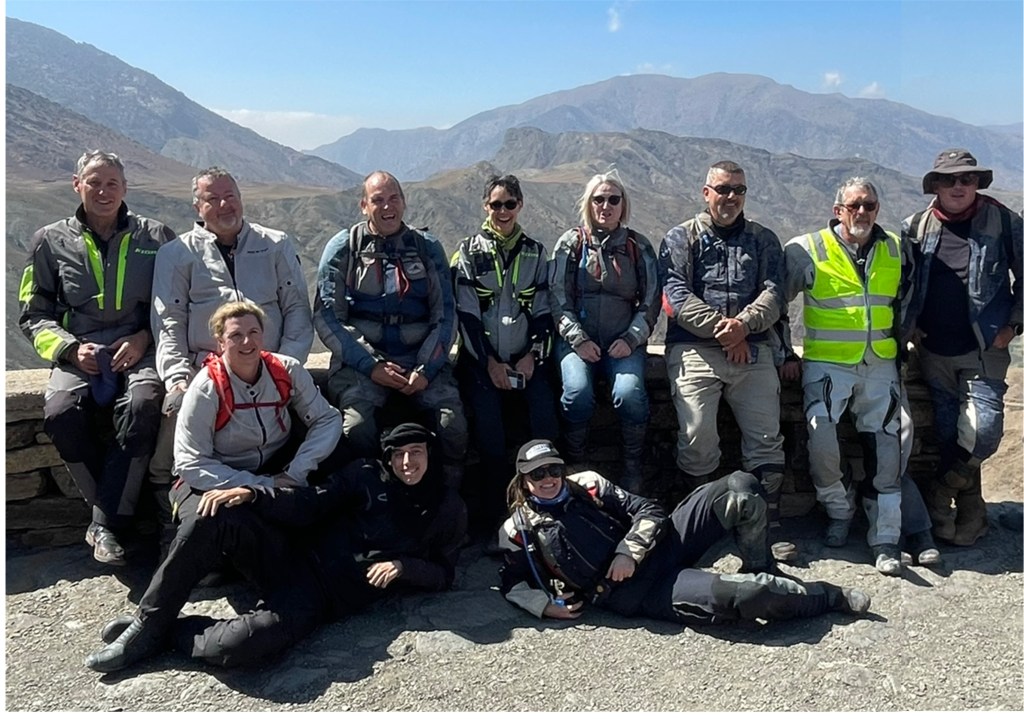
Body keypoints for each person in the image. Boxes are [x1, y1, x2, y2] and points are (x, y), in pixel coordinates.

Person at [85, 423, 466, 672]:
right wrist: (254, 494)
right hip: (290, 554)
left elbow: (444, 573)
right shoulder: (366, 474)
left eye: (416, 452)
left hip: (318, 598)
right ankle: (148, 622)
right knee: (213, 514)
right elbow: (309, 502)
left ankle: (167, 632)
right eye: (398, 454)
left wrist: (404, 567)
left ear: (429, 454)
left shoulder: (447, 508)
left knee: (242, 646)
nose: (407, 462)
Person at [498, 439, 871, 627]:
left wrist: (628, 550)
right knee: (752, 594)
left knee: (740, 488)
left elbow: (649, 510)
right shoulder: (518, 529)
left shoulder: (589, 483)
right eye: (537, 474)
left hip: (663, 545)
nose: (548, 479)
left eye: (554, 470)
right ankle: (829, 596)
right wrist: (545, 607)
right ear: (523, 479)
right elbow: (511, 583)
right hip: (640, 592)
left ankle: (762, 565)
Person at [18, 150, 175, 565]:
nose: (103, 192)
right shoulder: (49, 241)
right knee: (60, 413)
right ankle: (116, 514)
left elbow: (178, 304)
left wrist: (143, 338)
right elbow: (32, 315)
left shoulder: (155, 237)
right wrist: (69, 348)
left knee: (143, 405)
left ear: (125, 188)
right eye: (94, 182)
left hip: (141, 350)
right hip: (78, 352)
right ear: (77, 185)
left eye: (112, 184)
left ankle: (106, 525)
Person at [150, 167, 313, 541]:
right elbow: (169, 321)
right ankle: (168, 503)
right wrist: (177, 377)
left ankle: (294, 508)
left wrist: (286, 364)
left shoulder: (275, 244)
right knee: (177, 409)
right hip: (206, 370)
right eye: (213, 199)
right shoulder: (176, 254)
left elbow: (297, 309)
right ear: (198, 206)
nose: (225, 205)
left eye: (231, 196)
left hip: (269, 365)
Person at [784, 178, 908, 576]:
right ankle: (839, 510)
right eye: (854, 205)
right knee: (821, 443)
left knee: (886, 450)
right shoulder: (807, 248)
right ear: (838, 210)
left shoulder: (895, 249)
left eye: (870, 205)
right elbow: (776, 301)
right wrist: (785, 351)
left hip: (879, 363)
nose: (862, 212)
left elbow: (909, 301)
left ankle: (885, 537)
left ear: (878, 208)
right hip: (827, 364)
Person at [314, 171, 467, 487]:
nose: (387, 207)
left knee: (451, 424)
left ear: (404, 202)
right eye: (378, 200)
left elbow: (446, 313)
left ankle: (448, 493)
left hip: (420, 358)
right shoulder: (344, 248)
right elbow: (328, 317)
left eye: (394, 198)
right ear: (364, 206)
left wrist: (426, 368)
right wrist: (371, 365)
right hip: (361, 364)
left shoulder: (426, 248)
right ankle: (373, 493)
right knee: (357, 428)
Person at [659, 160, 787, 534]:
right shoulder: (681, 238)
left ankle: (764, 524)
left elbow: (775, 293)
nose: (731, 197)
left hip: (753, 347)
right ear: (706, 193)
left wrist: (743, 326)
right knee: (697, 436)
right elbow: (675, 295)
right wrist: (725, 331)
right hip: (695, 348)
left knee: (766, 437)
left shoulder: (764, 239)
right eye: (723, 189)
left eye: (739, 190)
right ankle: (700, 525)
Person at [902, 149, 1022, 547]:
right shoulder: (916, 227)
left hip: (984, 349)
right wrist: (910, 325)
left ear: (977, 183)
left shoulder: (1003, 221)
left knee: (984, 432)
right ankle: (971, 516)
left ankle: (939, 493)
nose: (958, 186)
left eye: (967, 179)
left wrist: (1013, 326)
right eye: (949, 179)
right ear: (935, 184)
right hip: (933, 352)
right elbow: (903, 284)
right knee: (951, 434)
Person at [451, 174, 559, 527]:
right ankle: (496, 515)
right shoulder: (467, 252)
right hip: (481, 362)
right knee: (489, 434)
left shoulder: (535, 252)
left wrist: (532, 356)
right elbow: (466, 315)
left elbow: (543, 311)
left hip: (527, 359)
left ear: (520, 205)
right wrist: (489, 363)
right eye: (495, 204)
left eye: (509, 204)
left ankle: (549, 504)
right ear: (486, 206)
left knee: (545, 422)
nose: (502, 211)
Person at [549, 169, 661, 491]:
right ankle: (576, 463)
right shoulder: (570, 244)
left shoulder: (638, 246)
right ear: (589, 203)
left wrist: (631, 338)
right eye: (599, 199)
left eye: (614, 199)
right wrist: (578, 339)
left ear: (623, 204)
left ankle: (632, 466)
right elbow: (557, 297)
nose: (606, 206)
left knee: (629, 394)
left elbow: (651, 299)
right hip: (576, 342)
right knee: (577, 393)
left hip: (624, 342)